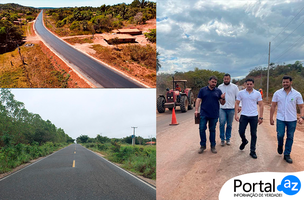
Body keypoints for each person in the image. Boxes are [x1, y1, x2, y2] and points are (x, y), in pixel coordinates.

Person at [270, 76, 304, 164]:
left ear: (291, 82)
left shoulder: (297, 94)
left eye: (287, 82)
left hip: (292, 119)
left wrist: (301, 117)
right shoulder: (277, 93)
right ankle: (280, 145)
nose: (285, 84)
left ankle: (287, 154)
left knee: (290, 137)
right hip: (280, 118)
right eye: (284, 82)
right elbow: (273, 106)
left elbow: (301, 107)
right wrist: (271, 118)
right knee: (280, 134)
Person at [195, 76, 226, 154]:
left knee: (212, 130)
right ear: (209, 81)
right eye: (212, 82)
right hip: (203, 113)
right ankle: (203, 146)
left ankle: (213, 146)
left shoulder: (218, 91)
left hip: (214, 114)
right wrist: (196, 110)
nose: (214, 83)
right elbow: (198, 100)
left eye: (215, 82)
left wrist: (223, 98)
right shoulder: (202, 90)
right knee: (202, 129)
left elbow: (222, 103)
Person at [234, 78, 264, 159]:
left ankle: (252, 151)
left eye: (251, 84)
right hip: (244, 115)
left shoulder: (257, 93)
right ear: (245, 84)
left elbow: (261, 105)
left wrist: (261, 117)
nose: (249, 85)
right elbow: (237, 103)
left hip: (254, 116)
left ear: (253, 85)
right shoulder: (241, 93)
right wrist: (236, 114)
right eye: (248, 84)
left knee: (253, 134)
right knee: (241, 131)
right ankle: (244, 141)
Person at [218, 74, 240, 146]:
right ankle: (222, 139)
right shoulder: (220, 87)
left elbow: (238, 97)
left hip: (231, 108)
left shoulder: (234, 87)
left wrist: (239, 106)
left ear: (230, 79)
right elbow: (218, 97)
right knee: (221, 123)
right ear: (223, 79)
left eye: (227, 79)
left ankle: (228, 138)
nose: (226, 80)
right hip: (222, 108)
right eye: (225, 79)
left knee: (229, 124)